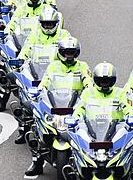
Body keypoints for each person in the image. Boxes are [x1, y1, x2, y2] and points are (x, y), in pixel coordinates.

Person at [25, 36, 91, 176]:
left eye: (72, 52)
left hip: (74, 106)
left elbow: (89, 83)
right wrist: (38, 92)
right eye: (66, 52)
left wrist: (88, 92)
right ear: (61, 52)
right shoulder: (53, 66)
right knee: (37, 129)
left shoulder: (82, 66)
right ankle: (37, 163)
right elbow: (45, 82)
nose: (69, 55)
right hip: (55, 105)